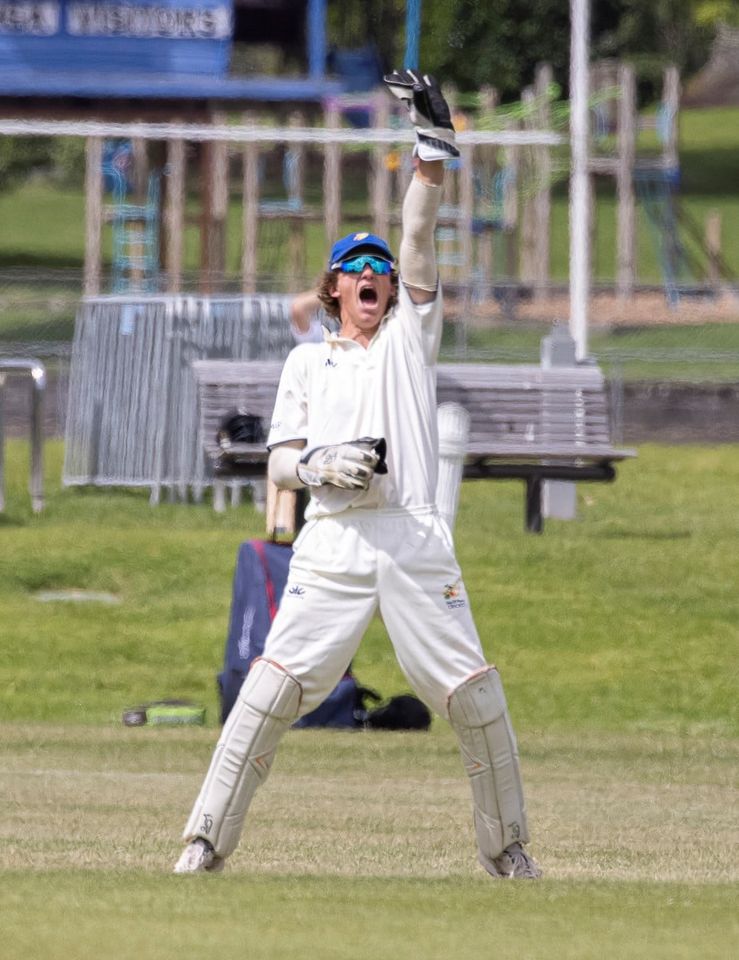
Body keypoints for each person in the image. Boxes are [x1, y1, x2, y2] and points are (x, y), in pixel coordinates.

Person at [174, 70, 541, 880]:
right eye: (358, 267)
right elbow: (274, 459)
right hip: (332, 540)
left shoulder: (413, 335)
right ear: (335, 288)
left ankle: (507, 848)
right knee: (269, 692)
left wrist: (431, 154)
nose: (375, 273)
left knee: (474, 697)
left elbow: (415, 238)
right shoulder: (309, 363)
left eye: (380, 268)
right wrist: (315, 467)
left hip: (412, 536)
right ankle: (203, 843)